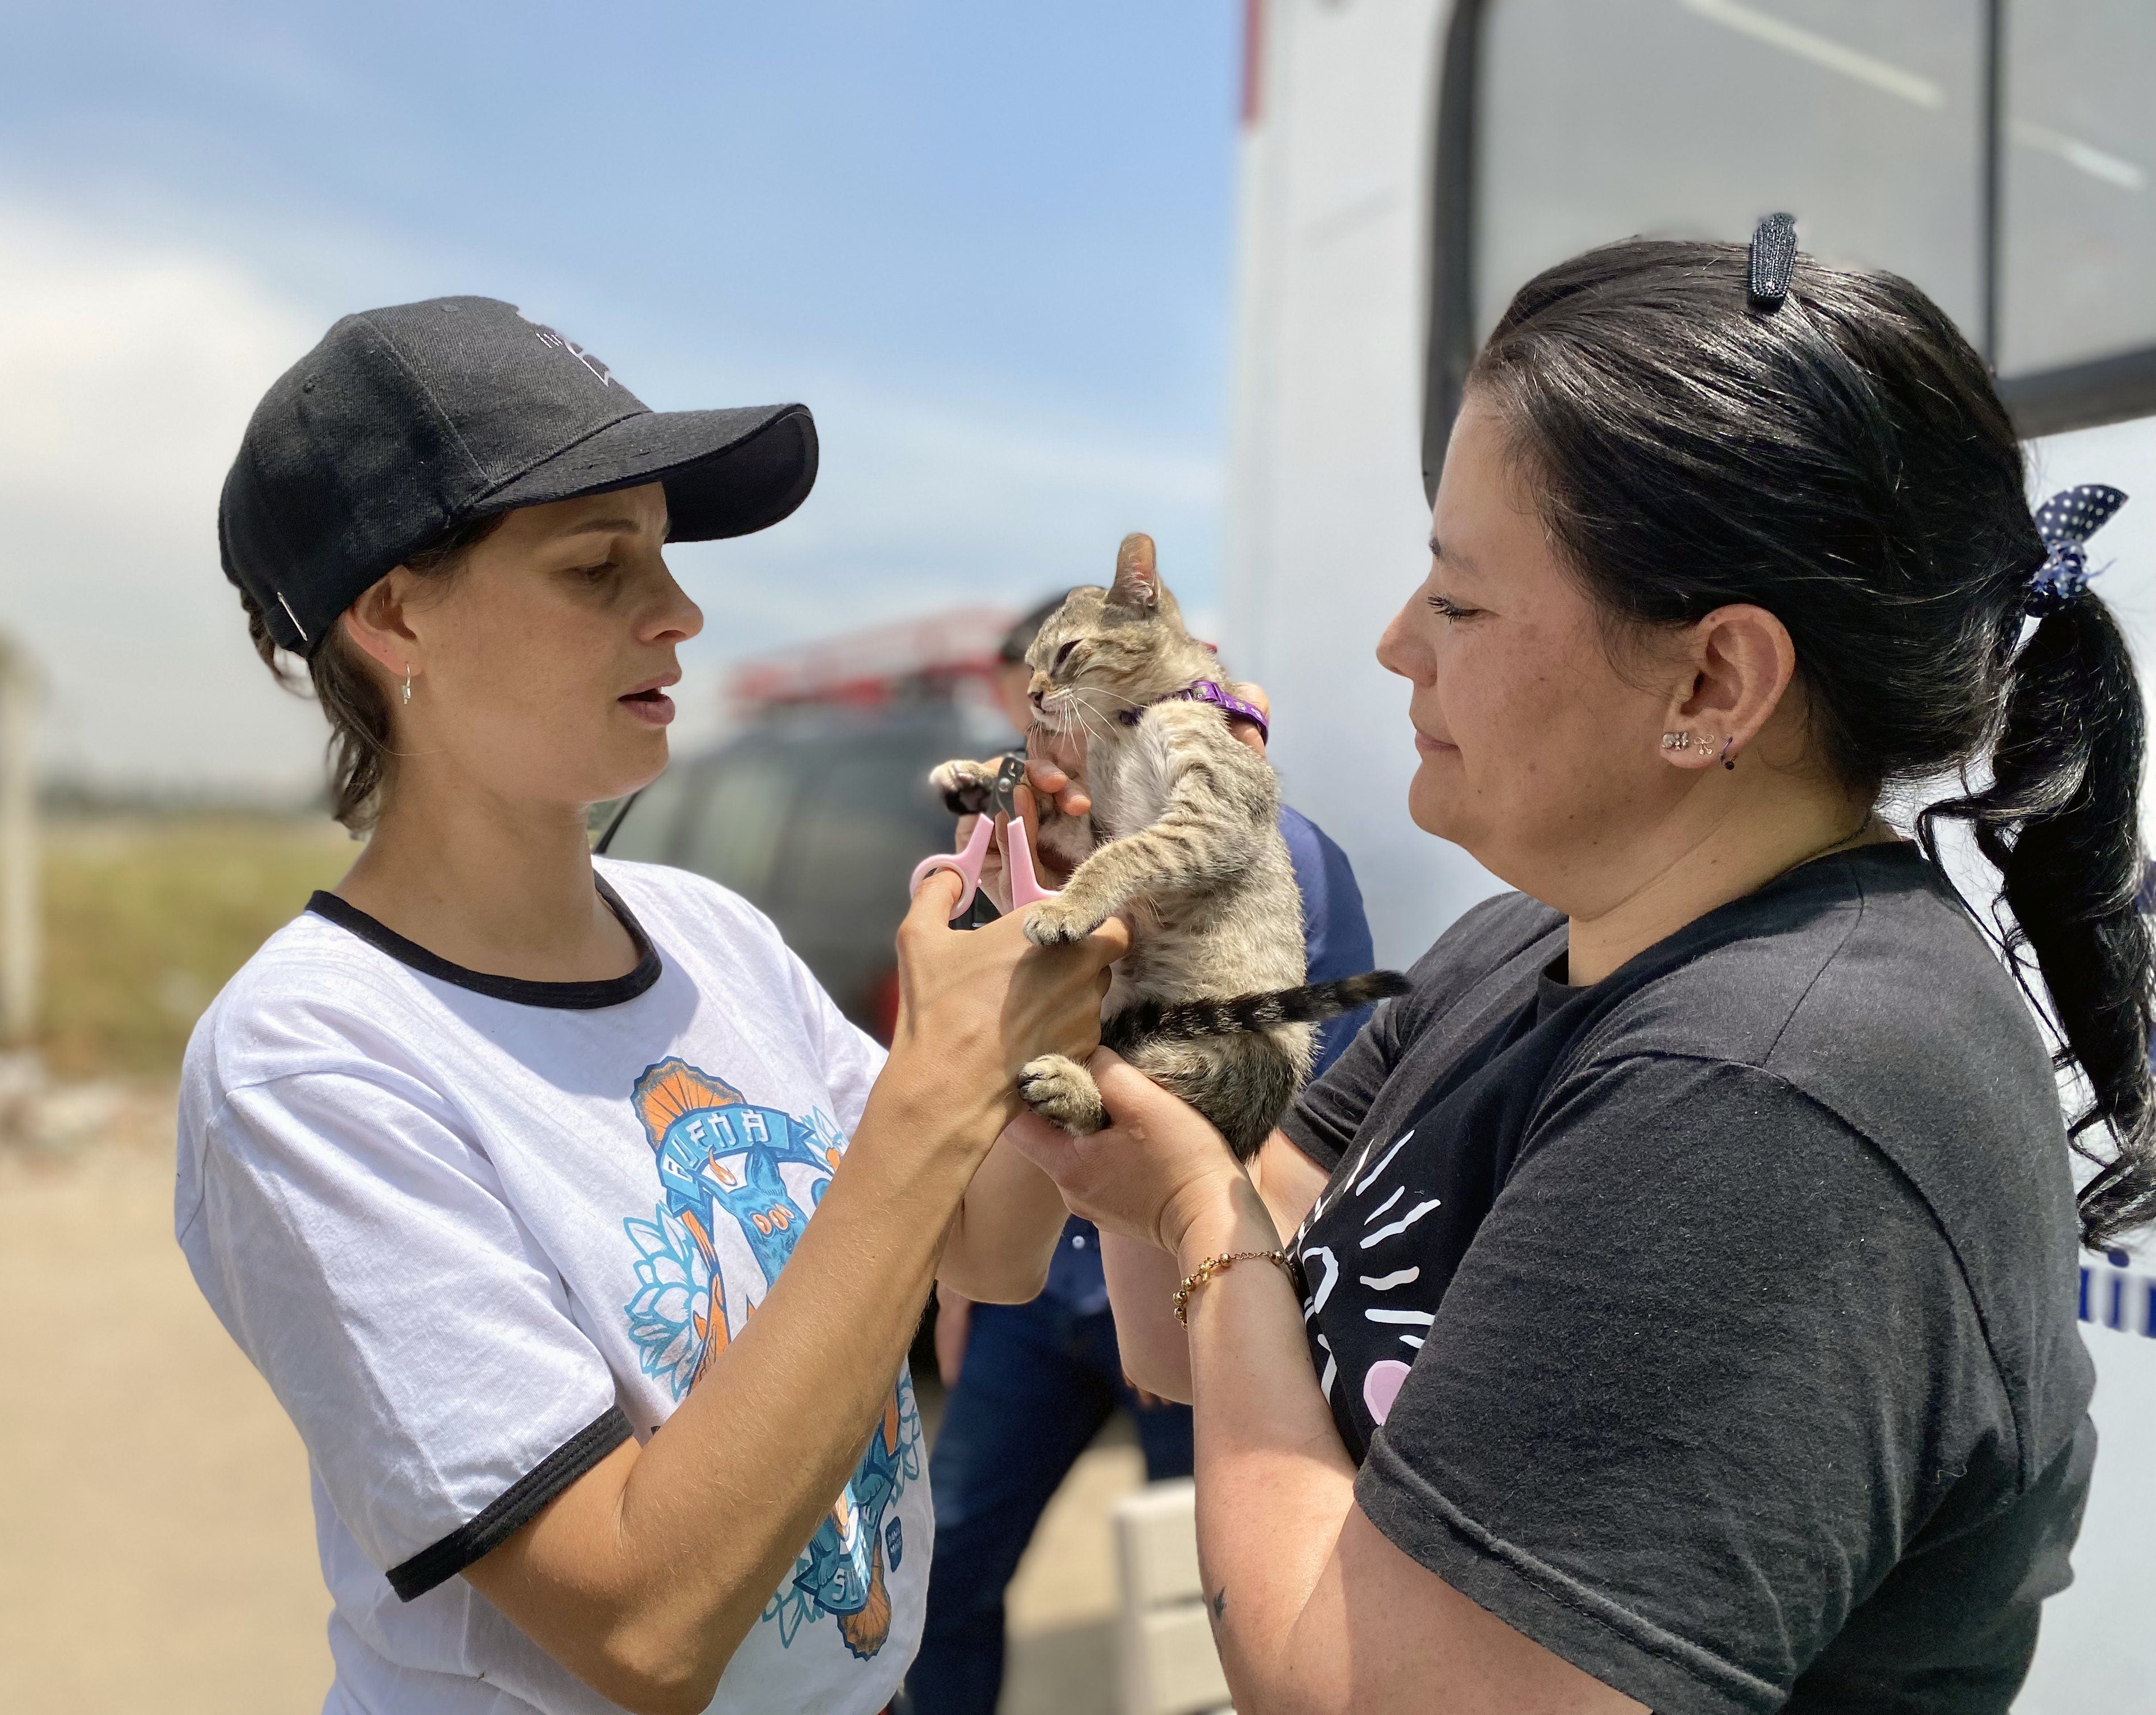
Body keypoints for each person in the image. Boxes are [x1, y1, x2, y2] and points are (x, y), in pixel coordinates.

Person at [1008, 235, 2156, 1712]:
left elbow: (1368, 1690)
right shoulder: (1528, 943)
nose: (1394, 645)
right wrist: (1143, 1146)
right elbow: (1192, 1353)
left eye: (1461, 602)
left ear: (1711, 684)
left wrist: (1191, 1206)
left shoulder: (1765, 1100)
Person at [174, 296, 1127, 1715]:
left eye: (664, 557)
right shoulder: (314, 1060)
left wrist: (1058, 994)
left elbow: (984, 1248)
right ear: (393, 615)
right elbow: (645, 1626)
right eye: (593, 566)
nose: (676, 610)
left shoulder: (711, 936)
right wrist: (935, 1082)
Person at [910, 597, 1377, 1714]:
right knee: (944, 1570)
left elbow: (1308, 1125)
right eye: (1021, 704)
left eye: (1050, 706)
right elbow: (1001, 1068)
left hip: (1181, 1265)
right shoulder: (1035, 853)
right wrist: (969, 1270)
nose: (1035, 731)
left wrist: (1195, 1304)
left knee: (1218, 1604)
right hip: (1041, 1294)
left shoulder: (1272, 856)